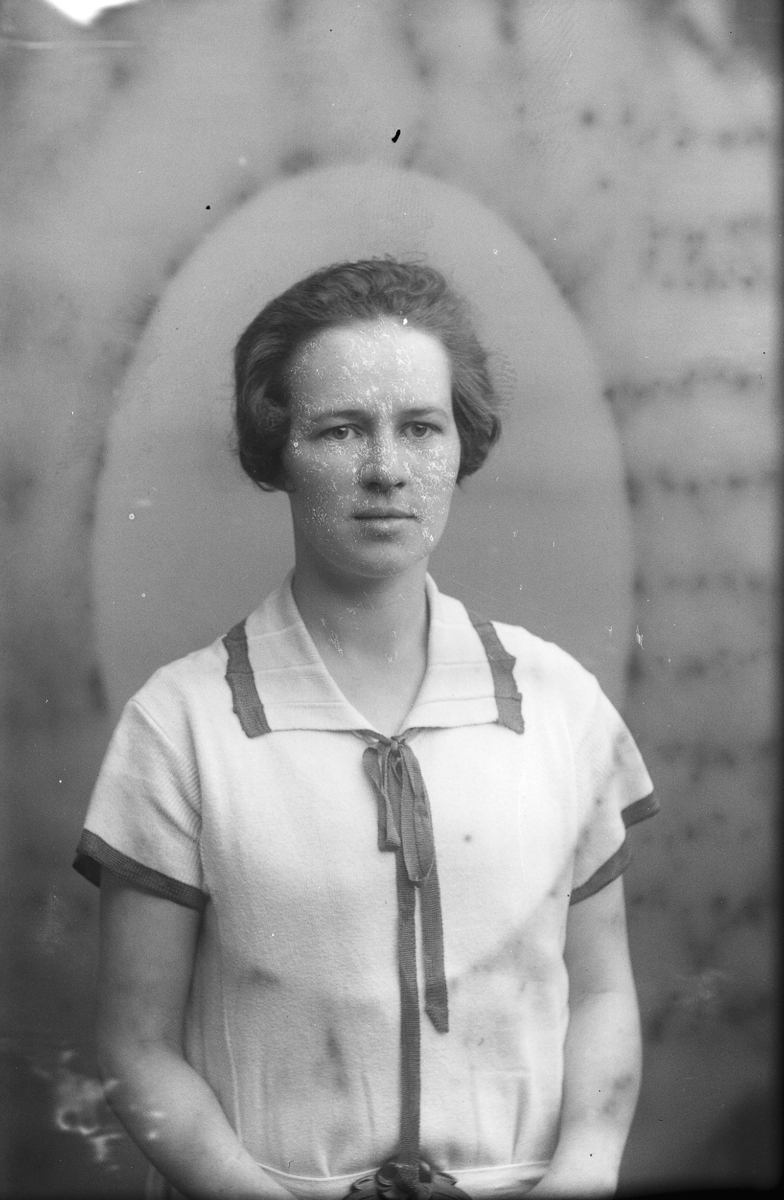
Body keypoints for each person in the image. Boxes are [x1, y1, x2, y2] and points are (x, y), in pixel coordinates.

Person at [74, 258, 658, 1200]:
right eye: (341, 429)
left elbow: (601, 994)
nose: (387, 468)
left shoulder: (559, 703)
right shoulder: (181, 724)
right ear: (279, 450)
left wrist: (580, 1178)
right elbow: (137, 1047)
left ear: (461, 444)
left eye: (420, 427)